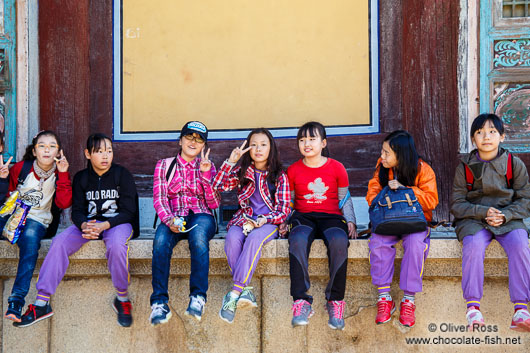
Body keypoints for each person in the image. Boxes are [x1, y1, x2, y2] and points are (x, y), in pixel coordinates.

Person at [14, 133, 138, 328]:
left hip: (117, 225)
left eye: (109, 151)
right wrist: (83, 225)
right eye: (99, 151)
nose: (105, 156)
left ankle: (122, 299)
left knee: (116, 246)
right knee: (59, 242)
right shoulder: (81, 178)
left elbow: (129, 212)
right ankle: (41, 303)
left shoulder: (122, 175)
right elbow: (77, 211)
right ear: (88, 154)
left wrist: (104, 225)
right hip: (88, 225)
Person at [451, 113, 530, 331]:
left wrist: (506, 215)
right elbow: (457, 205)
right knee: (473, 246)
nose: (486, 137)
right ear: (473, 139)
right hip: (474, 220)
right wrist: (483, 211)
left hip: (508, 218)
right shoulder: (464, 168)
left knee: (520, 244)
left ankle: (521, 309)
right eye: (479, 132)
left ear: (502, 137)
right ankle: (473, 308)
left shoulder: (514, 165)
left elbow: (526, 200)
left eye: (492, 132)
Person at [213, 128, 290, 323]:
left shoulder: (279, 176)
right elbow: (218, 185)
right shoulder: (242, 173)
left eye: (263, 145)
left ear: (271, 148)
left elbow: (284, 210)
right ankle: (245, 292)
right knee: (232, 238)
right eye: (253, 144)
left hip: (267, 222)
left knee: (255, 239)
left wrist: (265, 219)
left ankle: (234, 293)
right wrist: (231, 161)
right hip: (244, 219)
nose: (258, 149)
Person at [285, 121, 357, 330]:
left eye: (312, 139)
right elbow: (289, 202)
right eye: (302, 140)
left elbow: (345, 199)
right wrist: (283, 221)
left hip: (331, 217)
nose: (306, 144)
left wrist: (350, 220)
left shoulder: (337, 167)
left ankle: (335, 301)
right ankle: (301, 301)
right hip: (303, 217)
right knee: (297, 240)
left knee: (339, 241)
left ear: (323, 143)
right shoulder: (293, 170)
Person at [150, 121, 220, 326]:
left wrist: (206, 176)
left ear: (203, 146)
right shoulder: (164, 165)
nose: (193, 142)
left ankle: (198, 297)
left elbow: (214, 203)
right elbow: (159, 198)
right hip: (174, 215)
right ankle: (159, 302)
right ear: (180, 140)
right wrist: (169, 219)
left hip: (201, 215)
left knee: (198, 239)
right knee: (161, 241)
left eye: (199, 139)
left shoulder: (207, 165)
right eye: (189, 137)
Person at [366, 130, 438, 328]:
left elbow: (432, 201)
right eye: (382, 151)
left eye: (387, 153)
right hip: (387, 220)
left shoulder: (423, 169)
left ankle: (408, 300)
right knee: (378, 243)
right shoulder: (382, 168)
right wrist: (383, 197)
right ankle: (384, 298)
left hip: (414, 223)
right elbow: (372, 192)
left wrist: (407, 190)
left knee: (416, 245)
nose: (382, 156)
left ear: (401, 154)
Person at [2, 130, 72, 323]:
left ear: (58, 152)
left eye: (52, 146)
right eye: (42, 146)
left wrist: (64, 175)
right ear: (34, 151)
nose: (47, 150)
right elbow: (6, 198)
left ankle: (16, 302)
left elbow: (64, 203)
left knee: (31, 239)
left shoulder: (59, 173)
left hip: (39, 221)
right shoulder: (21, 168)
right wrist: (3, 180)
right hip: (13, 218)